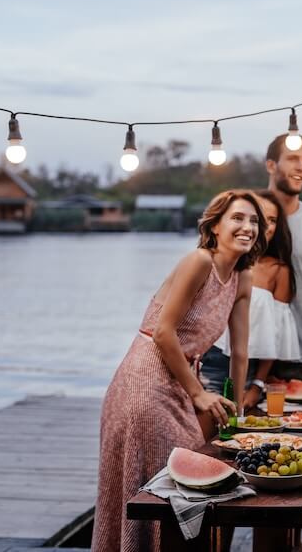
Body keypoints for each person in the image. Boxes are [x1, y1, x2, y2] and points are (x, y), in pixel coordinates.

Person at [92, 190, 265, 552]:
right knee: (156, 486)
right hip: (146, 379)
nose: (247, 226)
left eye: (254, 221)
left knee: (185, 480)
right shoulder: (199, 261)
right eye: (237, 218)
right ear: (215, 226)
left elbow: (240, 350)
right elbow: (163, 332)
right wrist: (199, 393)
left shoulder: (242, 278)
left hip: (181, 377)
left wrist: (240, 410)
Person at [199, 134, 302, 404]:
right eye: (292, 159)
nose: (301, 167)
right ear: (271, 165)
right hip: (235, 356)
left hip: (300, 353)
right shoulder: (242, 218)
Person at [239, 190, 301, 410]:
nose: (267, 225)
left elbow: (275, 334)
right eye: (261, 217)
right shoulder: (225, 262)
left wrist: (257, 385)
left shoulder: (279, 270)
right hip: (206, 368)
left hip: (246, 373)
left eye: (273, 220)